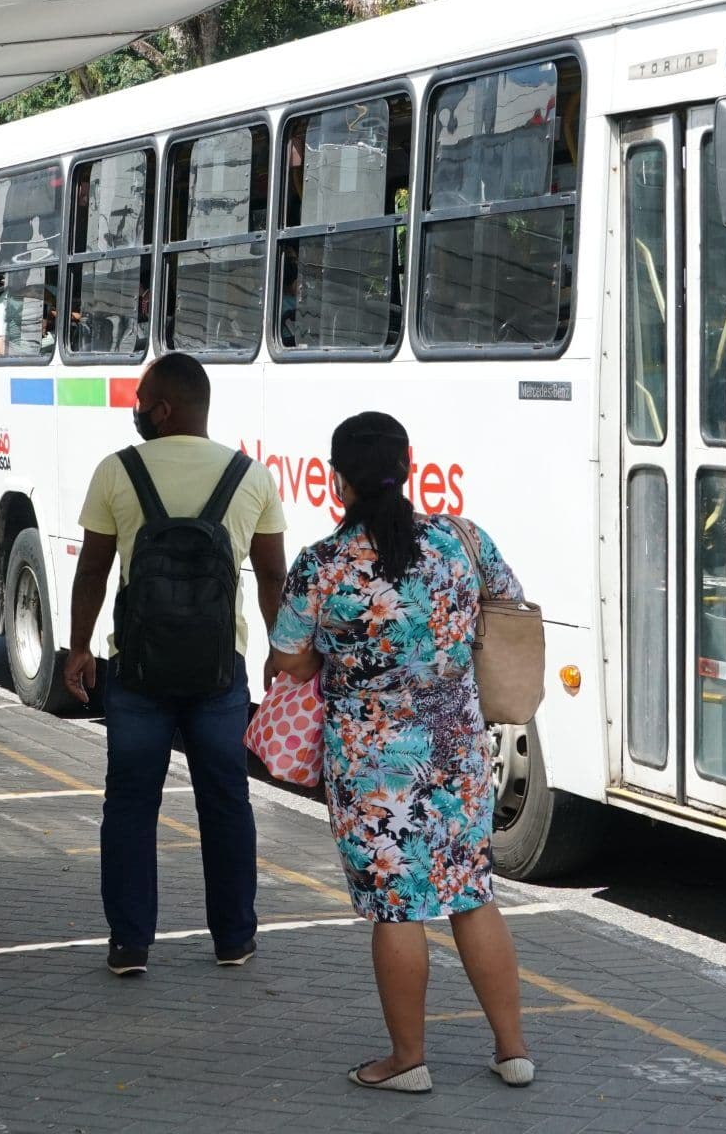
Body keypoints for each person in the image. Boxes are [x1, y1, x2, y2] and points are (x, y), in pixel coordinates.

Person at [264, 411, 533, 1093]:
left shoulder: (322, 565)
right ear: (408, 464)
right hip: (458, 752)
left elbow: (288, 658)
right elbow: (510, 605)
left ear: (338, 480)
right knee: (472, 893)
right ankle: (512, 1052)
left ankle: (408, 1061)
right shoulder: (462, 540)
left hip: (371, 764)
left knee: (397, 906)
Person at [60, 353, 284, 976]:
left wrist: (79, 648)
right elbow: (272, 576)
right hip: (220, 669)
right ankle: (234, 938)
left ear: (161, 409)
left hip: (137, 669)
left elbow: (92, 571)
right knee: (226, 800)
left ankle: (130, 943)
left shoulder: (117, 470)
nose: (136, 412)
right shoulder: (251, 476)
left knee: (130, 803)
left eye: (141, 402)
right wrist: (281, 652)